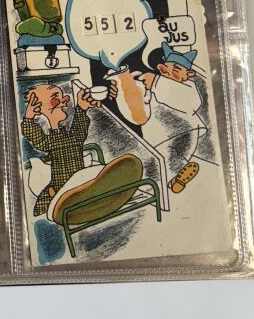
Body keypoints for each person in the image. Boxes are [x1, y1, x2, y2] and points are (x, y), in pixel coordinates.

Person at [21, 80, 141, 224]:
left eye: (62, 96)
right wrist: (28, 118)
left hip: (83, 182)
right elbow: (38, 139)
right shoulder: (49, 142)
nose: (65, 100)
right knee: (80, 182)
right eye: (55, 97)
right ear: (39, 109)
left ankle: (104, 190)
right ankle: (100, 191)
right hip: (66, 188)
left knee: (91, 175)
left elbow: (79, 133)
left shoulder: (71, 136)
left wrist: (81, 108)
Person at [134, 43, 206, 193]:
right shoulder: (155, 87)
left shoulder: (188, 87)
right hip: (160, 135)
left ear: (188, 74)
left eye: (176, 70)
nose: (169, 73)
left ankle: (174, 175)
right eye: (167, 69)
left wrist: (155, 82)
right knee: (164, 162)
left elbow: (191, 102)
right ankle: (175, 180)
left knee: (177, 155)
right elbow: (143, 106)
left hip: (185, 131)